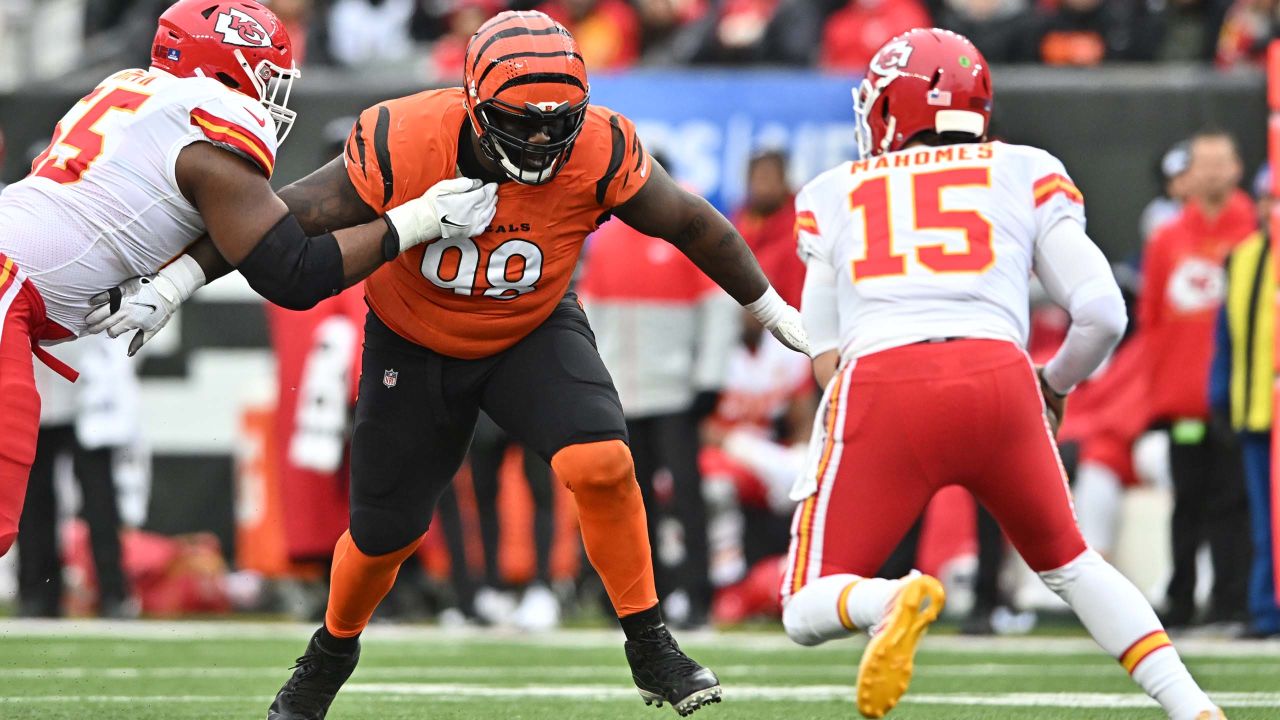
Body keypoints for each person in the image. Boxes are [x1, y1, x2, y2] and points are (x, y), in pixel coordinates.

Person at [96, 10, 809, 718]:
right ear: (472, 104)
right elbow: (287, 220)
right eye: (519, 120)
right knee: (383, 539)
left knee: (602, 463)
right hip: (414, 339)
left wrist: (773, 310)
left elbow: (691, 221)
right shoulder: (405, 137)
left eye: (556, 122)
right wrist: (173, 281)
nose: (539, 139)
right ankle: (329, 654)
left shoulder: (599, 146)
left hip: (530, 328)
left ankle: (651, 645)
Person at [782, 28, 1223, 720]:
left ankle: (889, 598)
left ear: (893, 105)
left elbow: (825, 349)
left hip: (884, 379)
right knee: (1072, 566)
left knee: (805, 605)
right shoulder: (1023, 167)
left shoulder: (834, 189)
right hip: (999, 373)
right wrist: (1053, 386)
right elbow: (1103, 311)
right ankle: (1191, 705)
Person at [0, 0, 494, 559]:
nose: (270, 96)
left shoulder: (134, 94)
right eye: (265, 77)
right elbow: (293, 272)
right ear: (222, 69)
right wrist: (419, 221)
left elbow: (238, 221)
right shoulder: (206, 125)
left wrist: (175, 280)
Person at [579, 186, 740, 629]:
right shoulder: (607, 241)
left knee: (687, 497)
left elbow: (717, 308)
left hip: (675, 393)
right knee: (635, 503)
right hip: (624, 394)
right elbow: (589, 316)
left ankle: (698, 595)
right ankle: (650, 600)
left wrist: (709, 378)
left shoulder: (683, 235)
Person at [1141, 129, 1254, 630]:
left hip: (1238, 396)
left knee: (1235, 502)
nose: (1210, 172)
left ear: (1236, 168)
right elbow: (1152, 320)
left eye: (1219, 162)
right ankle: (1182, 599)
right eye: (1201, 163)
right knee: (1187, 501)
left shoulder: (1255, 230)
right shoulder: (1167, 238)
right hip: (1184, 399)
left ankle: (1233, 600)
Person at [1208, 164, 1280, 638]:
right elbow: (1227, 336)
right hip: (1254, 409)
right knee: (1262, 520)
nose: (1270, 209)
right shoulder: (1243, 256)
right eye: (1266, 200)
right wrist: (1218, 392)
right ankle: (1264, 609)